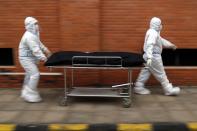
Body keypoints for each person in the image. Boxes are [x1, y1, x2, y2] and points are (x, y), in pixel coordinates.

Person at [134, 17, 180, 96]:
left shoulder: (153, 32)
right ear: (157, 25)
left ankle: (138, 87)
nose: (161, 26)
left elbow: (162, 41)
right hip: (153, 57)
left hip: (148, 56)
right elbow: (150, 44)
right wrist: (149, 57)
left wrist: (171, 45)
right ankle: (168, 89)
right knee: (161, 73)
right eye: (160, 24)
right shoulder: (153, 33)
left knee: (146, 71)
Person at [19, 16, 52, 102]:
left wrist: (46, 50)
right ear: (30, 25)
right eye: (35, 24)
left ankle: (25, 91)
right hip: (26, 59)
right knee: (35, 75)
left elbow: (39, 44)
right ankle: (30, 94)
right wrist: (45, 59)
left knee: (29, 75)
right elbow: (36, 51)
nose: (37, 25)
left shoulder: (33, 34)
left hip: (30, 58)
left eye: (37, 23)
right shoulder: (29, 36)